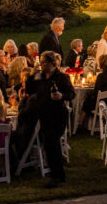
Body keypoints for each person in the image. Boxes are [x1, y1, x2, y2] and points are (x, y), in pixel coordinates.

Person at [21, 51, 75, 187]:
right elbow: (30, 89)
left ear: (52, 63)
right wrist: (32, 75)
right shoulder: (40, 76)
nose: (42, 65)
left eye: (45, 62)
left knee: (52, 142)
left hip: (57, 114)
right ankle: (57, 174)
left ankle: (57, 175)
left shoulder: (61, 77)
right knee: (49, 144)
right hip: (44, 114)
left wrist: (61, 96)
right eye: (41, 62)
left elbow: (71, 93)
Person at [79, 54, 107, 129]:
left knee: (87, 102)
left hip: (103, 105)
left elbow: (96, 92)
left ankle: (80, 123)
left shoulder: (101, 76)